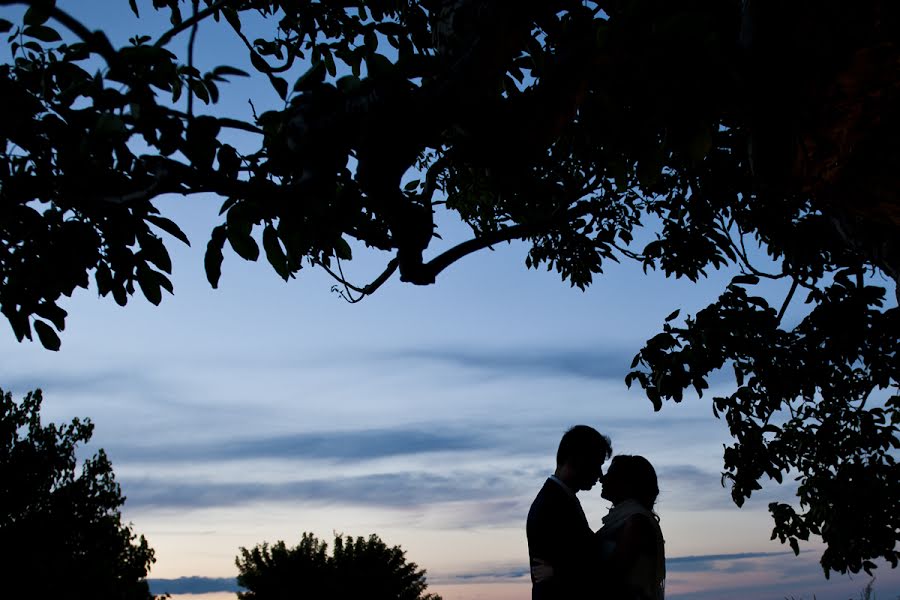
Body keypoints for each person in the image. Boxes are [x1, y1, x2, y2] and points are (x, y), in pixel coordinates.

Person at [527, 425, 613, 600]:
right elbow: (583, 563)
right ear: (578, 459)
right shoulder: (552, 505)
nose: (600, 474)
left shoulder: (558, 499)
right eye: (597, 464)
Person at [596, 455, 666, 600]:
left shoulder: (636, 522)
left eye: (611, 475)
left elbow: (611, 575)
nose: (602, 479)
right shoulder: (626, 519)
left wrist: (557, 572)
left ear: (626, 483)